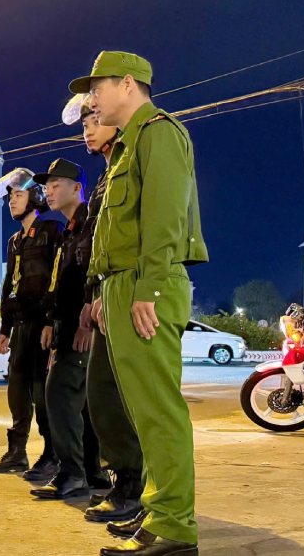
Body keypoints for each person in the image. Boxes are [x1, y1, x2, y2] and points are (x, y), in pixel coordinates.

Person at [69, 50, 208, 556]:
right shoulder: (126, 148)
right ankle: (158, 511)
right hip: (123, 286)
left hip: (149, 285)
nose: (92, 101)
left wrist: (146, 289)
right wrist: (107, 291)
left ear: (128, 84)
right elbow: (114, 234)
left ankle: (175, 527)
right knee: (140, 414)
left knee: (158, 411)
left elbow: (167, 219)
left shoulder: (159, 134)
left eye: (97, 89)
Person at [71, 95, 146, 525]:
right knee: (101, 396)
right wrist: (91, 296)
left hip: (129, 294)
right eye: (84, 123)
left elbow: (144, 231)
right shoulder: (107, 175)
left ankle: (136, 488)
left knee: (122, 399)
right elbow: (97, 246)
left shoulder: (136, 158)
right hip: (105, 297)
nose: (87, 129)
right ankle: (125, 483)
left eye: (94, 119)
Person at [27, 158, 109, 501]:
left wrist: (86, 321)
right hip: (65, 324)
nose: (49, 191)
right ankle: (93, 472)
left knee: (59, 397)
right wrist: (50, 320)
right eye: (47, 186)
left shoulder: (92, 224)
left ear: (78, 188)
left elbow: (94, 273)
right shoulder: (70, 229)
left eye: (56, 185)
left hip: (81, 325)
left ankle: (72, 473)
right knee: (82, 405)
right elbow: (62, 280)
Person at [0, 169, 63, 481]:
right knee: (17, 391)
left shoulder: (52, 231)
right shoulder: (15, 241)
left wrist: (52, 322)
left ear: (36, 197)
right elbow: (9, 285)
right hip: (21, 328)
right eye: (10, 197)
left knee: (42, 395)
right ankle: (16, 452)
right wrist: (5, 328)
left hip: (44, 328)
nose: (11, 202)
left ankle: (53, 455)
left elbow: (58, 280)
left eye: (17, 195)